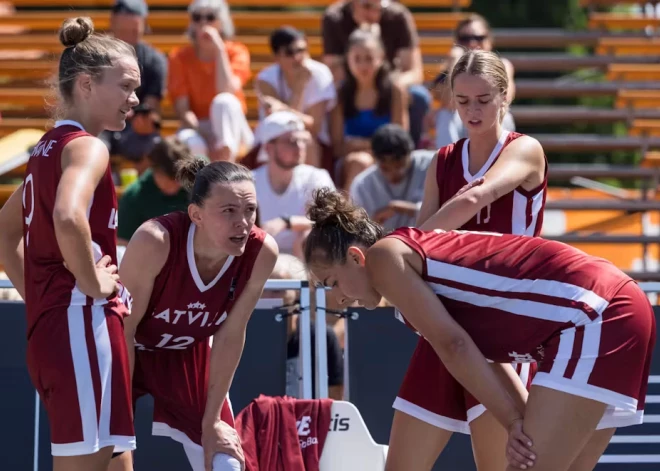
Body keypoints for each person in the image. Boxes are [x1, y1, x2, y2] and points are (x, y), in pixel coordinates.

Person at [303, 188, 656, 471]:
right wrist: (518, 422)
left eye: (332, 282)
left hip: (596, 311)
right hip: (618, 305)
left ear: (355, 257)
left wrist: (515, 424)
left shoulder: (385, 259)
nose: (338, 298)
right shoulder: (405, 269)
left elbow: (455, 345)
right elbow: (485, 353)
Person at [383, 48, 549, 471]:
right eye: (462, 101)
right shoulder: (443, 160)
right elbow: (421, 244)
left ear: (504, 97)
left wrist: (388, 260)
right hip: (447, 326)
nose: (472, 110)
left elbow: (475, 197)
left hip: (503, 328)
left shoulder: (525, 149)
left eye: (483, 99)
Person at [0, 17, 140, 471]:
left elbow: (4, 233)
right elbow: (67, 215)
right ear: (85, 83)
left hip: (61, 328)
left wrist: (41, 299)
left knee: (117, 462)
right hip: (81, 327)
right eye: (125, 87)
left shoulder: (45, 148)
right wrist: (92, 281)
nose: (134, 100)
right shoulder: (87, 148)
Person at [109, 160, 278, 471]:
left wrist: (211, 420)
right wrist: (119, 415)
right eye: (228, 210)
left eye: (250, 210)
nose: (243, 222)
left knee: (227, 458)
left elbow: (230, 333)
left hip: (186, 355)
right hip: (124, 351)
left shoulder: (262, 252)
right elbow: (124, 329)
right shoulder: (155, 240)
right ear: (196, 215)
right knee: (110, 448)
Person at [322, 0, 431, 146]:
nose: (375, 13)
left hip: (389, 83)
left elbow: (415, 71)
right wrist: (363, 78)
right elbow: (333, 70)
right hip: (351, 84)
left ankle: (411, 154)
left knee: (419, 96)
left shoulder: (397, 15)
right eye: (367, 6)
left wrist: (390, 86)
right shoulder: (334, 17)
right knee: (330, 95)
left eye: (380, 7)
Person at [169, 0, 253, 162]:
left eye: (210, 17)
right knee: (189, 140)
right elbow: (183, 110)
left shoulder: (237, 52)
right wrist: (206, 136)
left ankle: (226, 167)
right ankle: (202, 185)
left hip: (233, 127)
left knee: (224, 101)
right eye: (197, 17)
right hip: (199, 127)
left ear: (222, 22)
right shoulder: (179, 57)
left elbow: (226, 91)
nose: (203, 23)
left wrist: (220, 49)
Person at [330, 27, 407, 190]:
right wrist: (372, 146)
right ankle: (347, 214)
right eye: (357, 59)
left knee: (364, 161)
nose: (363, 65)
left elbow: (400, 141)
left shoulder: (395, 91)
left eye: (369, 58)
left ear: (381, 58)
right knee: (360, 162)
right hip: (350, 162)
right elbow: (337, 147)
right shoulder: (340, 94)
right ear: (348, 60)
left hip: (388, 162)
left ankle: (346, 213)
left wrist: (362, 144)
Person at [252, 111, 335, 260]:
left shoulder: (316, 177)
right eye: (291, 141)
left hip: (305, 264)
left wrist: (288, 222)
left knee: (308, 236)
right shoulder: (250, 181)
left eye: (303, 140)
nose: (300, 147)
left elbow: (332, 221)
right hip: (261, 260)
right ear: (268, 148)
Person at [254, 26, 336, 169]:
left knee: (304, 141)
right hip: (273, 142)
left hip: (315, 145)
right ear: (276, 57)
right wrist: (299, 86)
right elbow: (282, 127)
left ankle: (312, 191)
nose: (297, 57)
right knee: (279, 145)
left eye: (301, 50)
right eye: (290, 52)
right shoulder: (265, 79)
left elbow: (314, 127)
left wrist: (282, 108)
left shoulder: (320, 74)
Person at [433, 14, 516, 148]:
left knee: (503, 116)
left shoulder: (503, 65)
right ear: (457, 42)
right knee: (445, 116)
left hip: (491, 119)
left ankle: (498, 160)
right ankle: (448, 165)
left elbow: (505, 101)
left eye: (479, 38)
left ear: (489, 40)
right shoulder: (449, 67)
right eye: (464, 39)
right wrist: (455, 63)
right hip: (462, 120)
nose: (472, 44)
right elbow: (449, 103)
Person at [101, 0, 167, 165]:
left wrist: (144, 117)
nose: (127, 38)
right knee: (90, 144)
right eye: (123, 31)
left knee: (153, 145)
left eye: (134, 31)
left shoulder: (154, 60)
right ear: (112, 24)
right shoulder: (96, 57)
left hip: (133, 127)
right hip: (100, 122)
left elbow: (151, 104)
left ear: (143, 27)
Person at [349, 123, 433, 231]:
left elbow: (446, 208)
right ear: (375, 160)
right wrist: (372, 224)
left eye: (399, 166)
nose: (393, 173)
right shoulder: (362, 186)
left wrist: (408, 209)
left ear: (410, 154)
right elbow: (358, 230)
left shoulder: (432, 165)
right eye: (385, 168)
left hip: (429, 239)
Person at [117, 136, 193, 245]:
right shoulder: (134, 197)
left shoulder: (200, 185)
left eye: (179, 180)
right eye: (169, 179)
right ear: (154, 170)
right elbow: (123, 243)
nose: (175, 185)